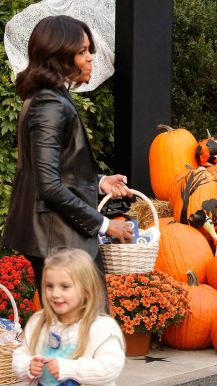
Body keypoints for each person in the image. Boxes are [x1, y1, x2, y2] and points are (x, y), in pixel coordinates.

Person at [1, 15, 133, 300]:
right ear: (60, 55)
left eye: (89, 51)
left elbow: (56, 171)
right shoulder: (49, 104)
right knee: (87, 329)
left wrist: (99, 183)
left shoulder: (47, 98)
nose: (90, 58)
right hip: (60, 241)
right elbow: (48, 186)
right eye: (82, 51)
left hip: (59, 238)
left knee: (80, 333)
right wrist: (106, 224)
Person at [12, 248, 126, 386]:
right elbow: (20, 355)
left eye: (65, 287)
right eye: (50, 286)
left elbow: (110, 366)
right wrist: (28, 365)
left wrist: (68, 368)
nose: (55, 293)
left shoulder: (100, 328)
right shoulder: (39, 323)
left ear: (87, 291)